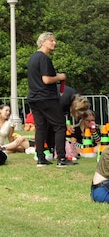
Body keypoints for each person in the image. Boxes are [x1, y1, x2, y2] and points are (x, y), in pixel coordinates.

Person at [27, 32, 71, 167]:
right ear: (43, 42)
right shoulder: (44, 58)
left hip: (34, 97)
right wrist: (60, 77)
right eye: (51, 40)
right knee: (59, 126)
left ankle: (41, 158)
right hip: (46, 97)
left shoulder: (33, 58)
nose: (54, 43)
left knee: (40, 128)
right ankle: (61, 159)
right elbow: (46, 79)